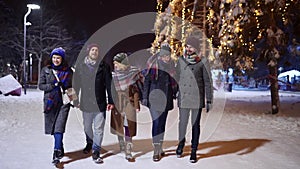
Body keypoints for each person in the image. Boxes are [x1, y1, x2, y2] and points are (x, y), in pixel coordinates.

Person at [73, 43, 114, 164]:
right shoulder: (81, 66)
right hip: (86, 103)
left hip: (100, 102)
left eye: (96, 50)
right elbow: (76, 84)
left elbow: (109, 85)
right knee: (87, 126)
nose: (94, 52)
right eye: (92, 50)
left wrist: (111, 101)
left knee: (99, 128)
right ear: (88, 52)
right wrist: (75, 100)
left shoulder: (104, 66)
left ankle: (96, 150)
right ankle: (89, 142)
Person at [175, 36, 213, 163]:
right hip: (184, 97)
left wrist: (209, 99)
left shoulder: (203, 61)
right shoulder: (180, 60)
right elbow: (177, 77)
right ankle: (180, 144)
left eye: (190, 46)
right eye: (186, 46)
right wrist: (175, 92)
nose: (188, 49)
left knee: (195, 125)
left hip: (197, 98)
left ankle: (193, 150)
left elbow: (207, 81)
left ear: (196, 48)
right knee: (182, 123)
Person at [142, 44, 178, 162]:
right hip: (154, 98)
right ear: (161, 55)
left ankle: (160, 146)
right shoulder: (153, 65)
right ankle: (156, 149)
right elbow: (146, 81)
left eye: (168, 55)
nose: (166, 58)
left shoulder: (172, 65)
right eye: (164, 55)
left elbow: (175, 81)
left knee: (162, 124)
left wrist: (176, 91)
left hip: (166, 98)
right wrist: (145, 97)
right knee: (156, 123)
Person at [39, 47, 73, 165]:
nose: (56, 60)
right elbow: (41, 86)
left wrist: (74, 100)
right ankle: (60, 145)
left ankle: (56, 151)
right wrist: (53, 85)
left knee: (59, 127)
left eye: (58, 58)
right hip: (50, 102)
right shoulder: (46, 70)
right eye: (54, 57)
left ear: (62, 59)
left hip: (64, 103)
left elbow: (71, 87)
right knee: (53, 128)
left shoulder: (68, 71)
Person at [110, 52, 141, 161]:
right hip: (117, 102)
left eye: (117, 63)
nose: (115, 65)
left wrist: (137, 105)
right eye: (114, 63)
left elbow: (137, 90)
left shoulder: (133, 72)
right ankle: (121, 142)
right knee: (119, 123)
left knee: (129, 125)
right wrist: (109, 102)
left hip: (129, 101)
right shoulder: (113, 75)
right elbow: (110, 91)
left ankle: (128, 148)